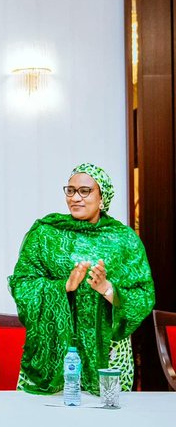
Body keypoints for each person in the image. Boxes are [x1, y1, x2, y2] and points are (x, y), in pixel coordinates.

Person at [9, 163, 155, 394]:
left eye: (85, 191)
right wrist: (63, 287)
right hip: (54, 348)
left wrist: (107, 289)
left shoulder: (123, 239)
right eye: (71, 190)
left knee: (106, 411)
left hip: (107, 351)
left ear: (102, 197)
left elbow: (142, 295)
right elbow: (22, 283)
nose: (75, 197)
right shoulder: (46, 234)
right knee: (47, 412)